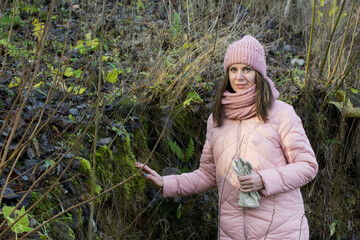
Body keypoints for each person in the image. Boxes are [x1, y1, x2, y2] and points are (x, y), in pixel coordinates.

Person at [135, 35, 318, 240]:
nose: (239, 76)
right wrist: (166, 183)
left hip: (281, 232)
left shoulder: (282, 113)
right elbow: (208, 174)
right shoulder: (216, 119)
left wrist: (263, 180)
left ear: (258, 73)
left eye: (246, 69)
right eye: (233, 69)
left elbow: (307, 165)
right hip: (232, 234)